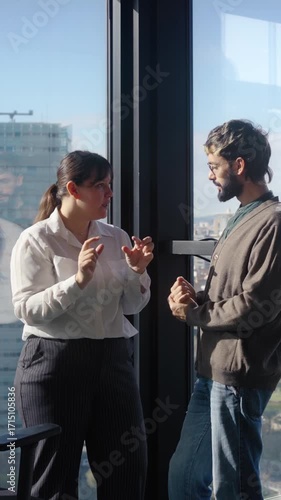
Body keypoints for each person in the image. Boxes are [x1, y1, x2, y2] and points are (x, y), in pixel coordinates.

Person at [10, 150, 154, 500]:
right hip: (54, 361)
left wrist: (137, 272)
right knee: (54, 480)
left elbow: (133, 305)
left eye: (110, 185)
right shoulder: (36, 239)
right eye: (100, 186)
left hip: (113, 357)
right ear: (73, 190)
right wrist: (77, 280)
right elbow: (27, 310)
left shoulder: (117, 237)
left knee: (127, 471)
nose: (109, 194)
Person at [167, 119, 281, 500]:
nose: (211, 176)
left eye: (215, 166)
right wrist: (196, 298)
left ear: (240, 165)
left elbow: (257, 304)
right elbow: (234, 291)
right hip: (212, 373)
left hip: (238, 377)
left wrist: (195, 315)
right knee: (183, 480)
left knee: (235, 488)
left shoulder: (273, 222)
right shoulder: (242, 216)